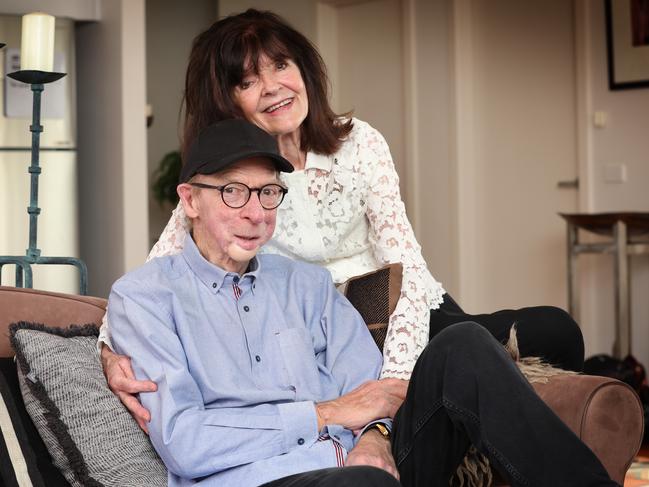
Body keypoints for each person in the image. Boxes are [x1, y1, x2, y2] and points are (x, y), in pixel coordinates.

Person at [99, 8, 584, 429]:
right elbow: (152, 276)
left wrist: (396, 377)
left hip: (403, 313)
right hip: (328, 336)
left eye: (281, 65)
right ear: (227, 102)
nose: (273, 88)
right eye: (247, 82)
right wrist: (108, 351)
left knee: (557, 330)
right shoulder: (225, 181)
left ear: (303, 68)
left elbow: (407, 266)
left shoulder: (361, 143)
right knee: (464, 367)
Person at [107, 119, 618, 487]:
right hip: (262, 477)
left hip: (371, 464)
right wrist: (328, 413)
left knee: (463, 343)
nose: (257, 213)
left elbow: (371, 392)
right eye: (234, 192)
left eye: (268, 193)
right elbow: (187, 442)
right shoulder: (147, 298)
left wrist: (373, 436)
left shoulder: (305, 285)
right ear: (190, 200)